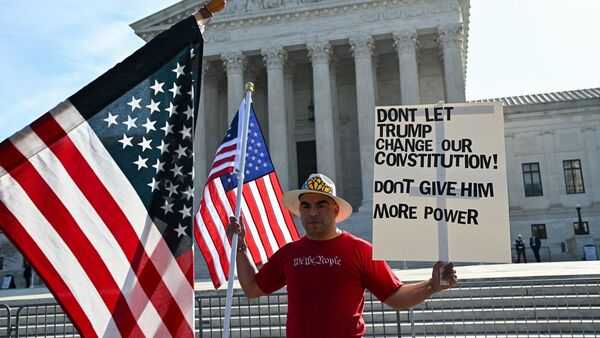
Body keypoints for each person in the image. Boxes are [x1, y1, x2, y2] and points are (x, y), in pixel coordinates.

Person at [227, 173, 458, 337]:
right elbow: (253, 288)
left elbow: (394, 295)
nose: (312, 212)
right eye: (305, 206)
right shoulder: (289, 253)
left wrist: (430, 286)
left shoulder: (360, 250)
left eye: (321, 205)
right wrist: (240, 247)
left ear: (335, 210)